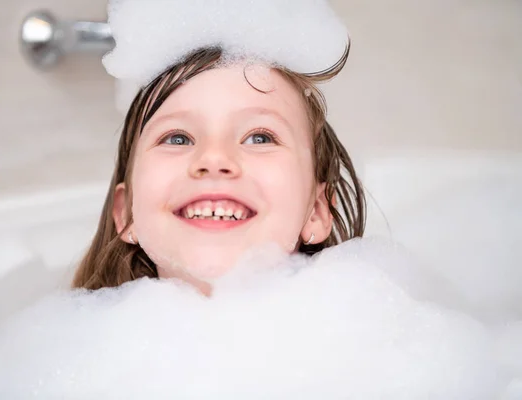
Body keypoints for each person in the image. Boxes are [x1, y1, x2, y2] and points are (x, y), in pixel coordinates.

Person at [72, 44, 366, 294]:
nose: (213, 159)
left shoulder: (364, 348)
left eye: (259, 137)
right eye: (178, 138)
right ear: (127, 213)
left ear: (314, 210)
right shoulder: (82, 353)